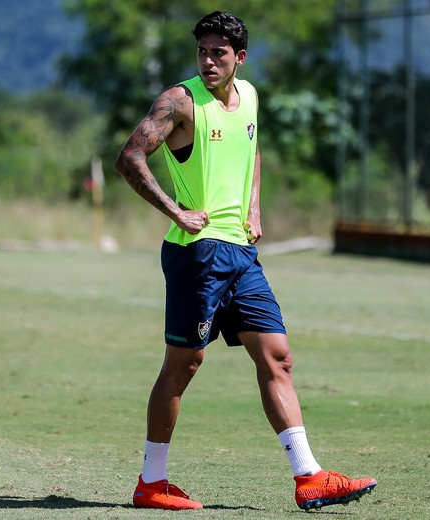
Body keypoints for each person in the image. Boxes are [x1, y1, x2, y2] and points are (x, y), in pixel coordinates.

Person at [113, 11, 377, 512]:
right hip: (197, 253)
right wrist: (176, 211)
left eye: (219, 52)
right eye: (203, 51)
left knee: (278, 356)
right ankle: (152, 482)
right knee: (184, 363)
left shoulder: (251, 96)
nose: (209, 61)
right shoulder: (180, 101)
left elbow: (252, 148)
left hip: (241, 252)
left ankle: (308, 477)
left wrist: (254, 202)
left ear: (240, 57)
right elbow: (129, 157)